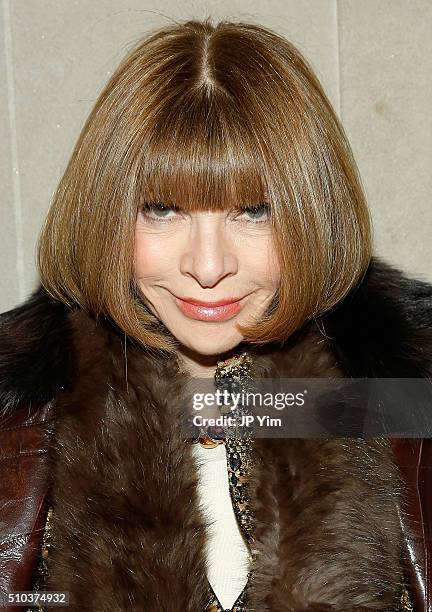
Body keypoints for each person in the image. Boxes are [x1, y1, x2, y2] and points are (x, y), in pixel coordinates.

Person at [0, 17, 430, 612]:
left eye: (253, 212)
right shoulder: (22, 416)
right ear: (105, 214)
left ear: (314, 216)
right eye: (162, 210)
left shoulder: (402, 400)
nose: (207, 266)